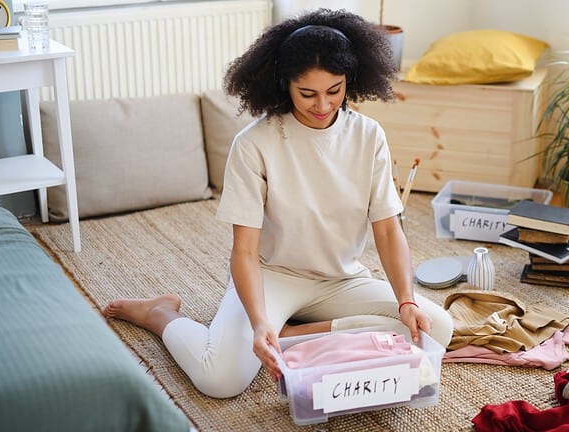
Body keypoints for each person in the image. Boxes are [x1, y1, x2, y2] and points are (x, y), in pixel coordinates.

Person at [103, 8, 453, 399]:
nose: (322, 105)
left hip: (341, 279)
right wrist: (257, 322)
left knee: (436, 326)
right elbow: (245, 250)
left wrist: (405, 299)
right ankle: (162, 314)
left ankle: (295, 333)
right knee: (220, 380)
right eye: (307, 94)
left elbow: (388, 229)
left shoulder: (368, 136)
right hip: (273, 276)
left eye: (334, 90)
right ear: (284, 84)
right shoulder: (255, 144)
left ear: (350, 82)